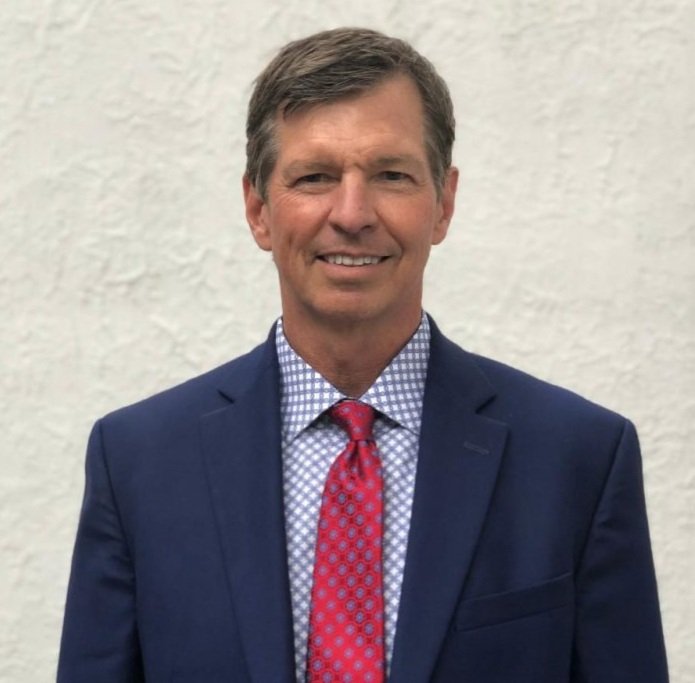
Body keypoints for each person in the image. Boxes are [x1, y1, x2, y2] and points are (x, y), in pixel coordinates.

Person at [58, 27, 668, 682]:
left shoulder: (577, 458)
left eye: (391, 175)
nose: (352, 213)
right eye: (315, 177)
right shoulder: (139, 462)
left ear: (443, 204)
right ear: (258, 209)